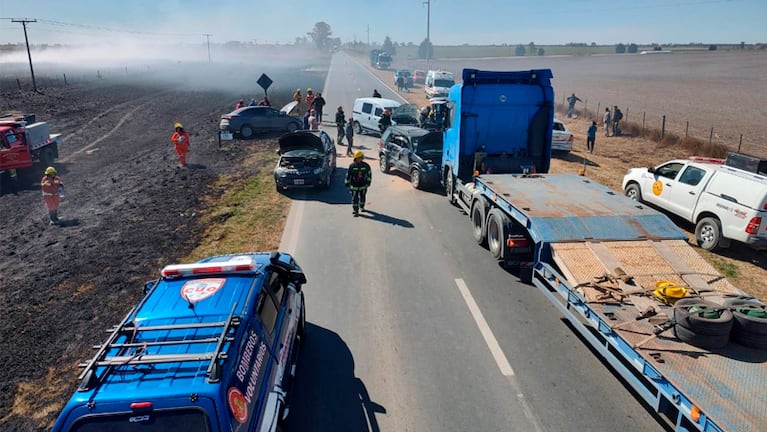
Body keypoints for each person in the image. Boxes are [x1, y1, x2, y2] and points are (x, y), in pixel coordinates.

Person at [345, 150, 372, 216]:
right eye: (358, 158)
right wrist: (347, 182)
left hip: (363, 184)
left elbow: (369, 174)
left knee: (362, 196)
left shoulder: (366, 166)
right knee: (355, 198)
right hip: (354, 184)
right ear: (355, 158)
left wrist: (368, 182)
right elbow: (348, 174)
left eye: (360, 158)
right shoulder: (352, 166)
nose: (359, 159)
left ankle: (362, 207)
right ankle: (355, 210)